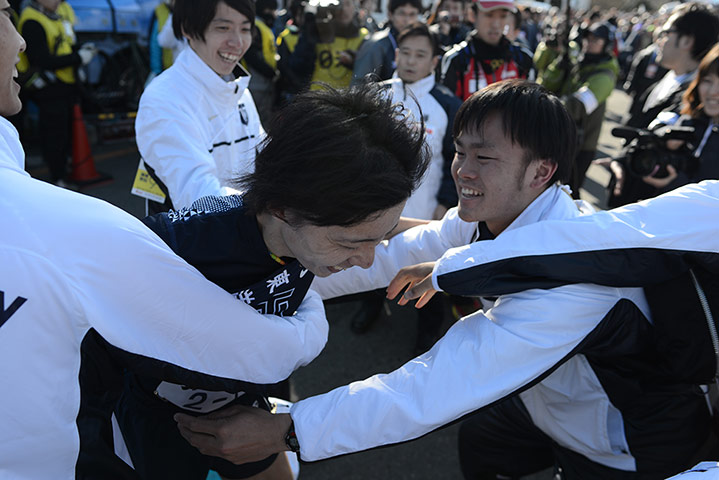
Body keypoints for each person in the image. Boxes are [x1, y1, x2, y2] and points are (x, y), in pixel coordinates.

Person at [175, 81, 716, 480]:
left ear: (542, 172)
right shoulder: (494, 218)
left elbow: (432, 386)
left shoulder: (574, 288)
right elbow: (391, 254)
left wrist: (291, 429)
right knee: (482, 443)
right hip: (538, 404)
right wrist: (252, 289)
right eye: (459, 151)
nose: (463, 171)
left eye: (485, 157)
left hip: (623, 446)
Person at [113, 82, 429, 480]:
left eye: (377, 238)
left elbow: (392, 228)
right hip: (151, 423)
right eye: (350, 242)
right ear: (281, 207)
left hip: (246, 408)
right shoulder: (174, 247)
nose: (366, 261)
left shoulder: (318, 223)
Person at [376, 21, 461, 350]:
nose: (411, 61)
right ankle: (373, 308)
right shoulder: (377, 93)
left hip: (425, 211)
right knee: (372, 269)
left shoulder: (448, 104)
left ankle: (427, 336)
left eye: (420, 55)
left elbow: (457, 159)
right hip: (378, 209)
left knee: (429, 280)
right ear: (396, 55)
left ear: (434, 62)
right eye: (405, 53)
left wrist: (445, 204)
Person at [134, 0, 264, 214]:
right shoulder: (164, 99)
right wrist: (274, 204)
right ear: (188, 28)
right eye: (223, 28)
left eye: (245, 29)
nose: (238, 42)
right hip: (189, 244)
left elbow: (263, 155)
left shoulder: (239, 90)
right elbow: (200, 200)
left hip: (245, 234)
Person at [607, 2, 719, 207]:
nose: (659, 38)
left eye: (666, 32)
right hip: (626, 188)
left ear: (686, 40)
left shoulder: (695, 104)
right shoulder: (666, 76)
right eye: (708, 81)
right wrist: (622, 158)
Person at [15, 0, 96, 187]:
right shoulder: (32, 20)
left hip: (65, 85)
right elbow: (42, 59)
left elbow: (64, 44)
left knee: (65, 132)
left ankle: (63, 172)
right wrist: (77, 58)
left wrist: (80, 51)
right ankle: (57, 178)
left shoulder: (53, 14)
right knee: (54, 134)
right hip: (50, 89)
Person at [537, 21, 619, 198]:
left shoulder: (605, 77)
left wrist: (541, 105)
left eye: (596, 40)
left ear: (607, 45)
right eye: (588, 39)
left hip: (581, 146)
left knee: (569, 192)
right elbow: (546, 84)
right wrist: (560, 65)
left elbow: (576, 107)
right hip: (562, 136)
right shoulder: (579, 64)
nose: (589, 43)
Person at [440, 0, 534, 101]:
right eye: (489, 15)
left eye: (503, 16)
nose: (496, 24)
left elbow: (529, 108)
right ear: (472, 14)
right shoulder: (457, 59)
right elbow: (449, 111)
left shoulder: (523, 57)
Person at [282, 0, 368, 91]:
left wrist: (354, 61)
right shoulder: (318, 32)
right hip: (316, 96)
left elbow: (369, 72)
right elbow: (298, 66)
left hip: (346, 99)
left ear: (355, 7)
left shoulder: (363, 36)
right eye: (339, 4)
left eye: (347, 4)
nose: (343, 9)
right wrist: (309, 26)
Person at [350, 0, 421, 84]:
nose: (407, 20)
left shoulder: (422, 43)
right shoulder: (376, 44)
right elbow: (359, 86)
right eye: (402, 14)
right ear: (390, 15)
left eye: (412, 14)